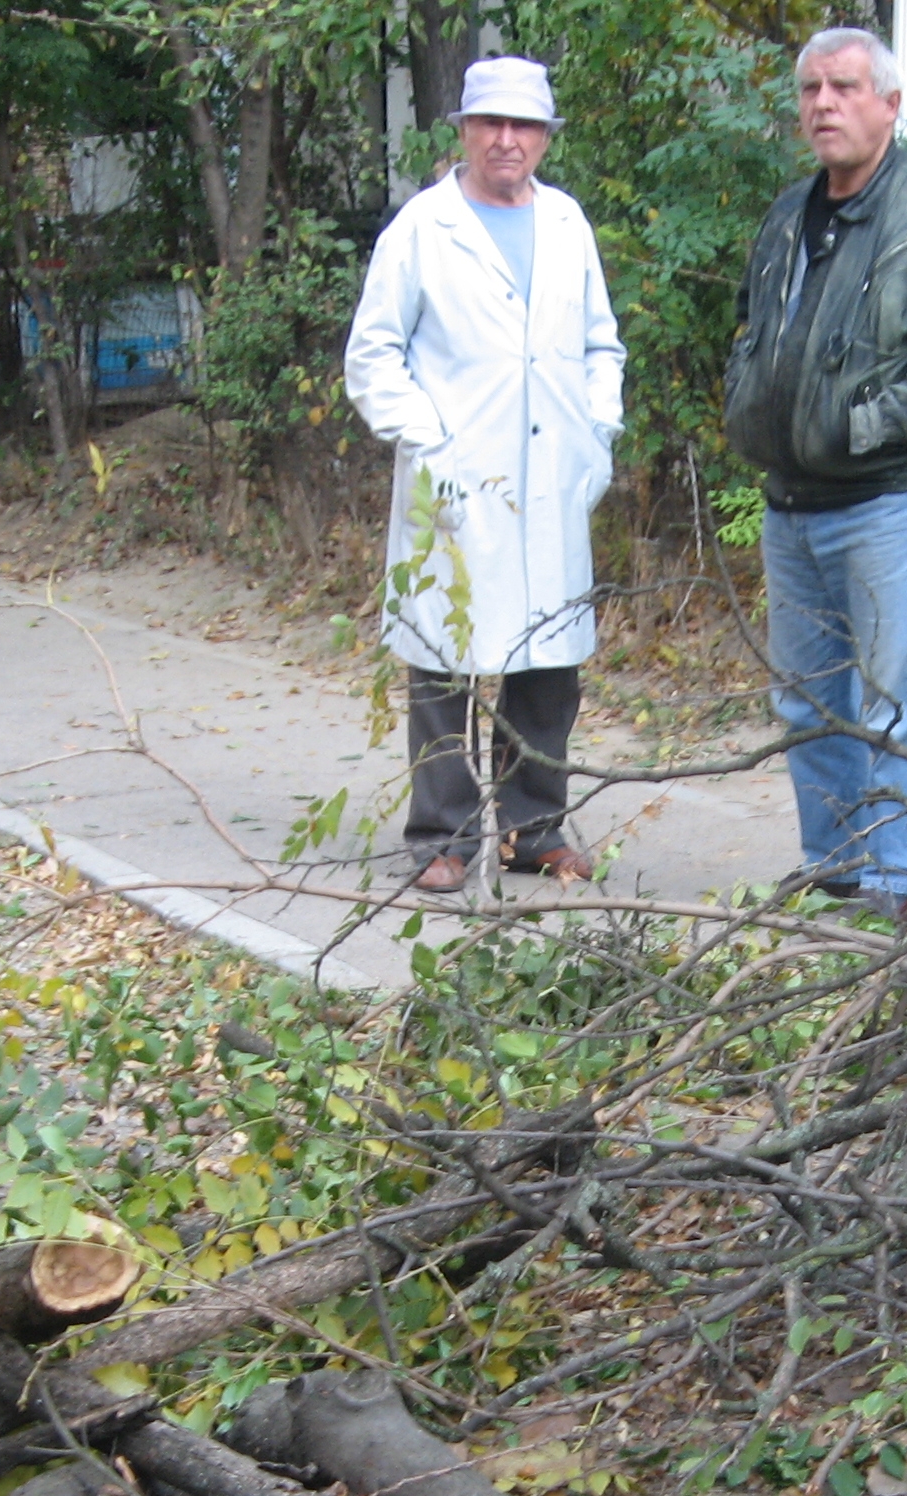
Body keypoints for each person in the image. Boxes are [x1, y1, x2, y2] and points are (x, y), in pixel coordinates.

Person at [723, 25, 907, 928]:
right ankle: (838, 868)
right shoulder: (786, 213)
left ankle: (899, 880)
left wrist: (859, 427)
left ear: (889, 103)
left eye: (843, 87)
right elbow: (750, 330)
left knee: (892, 706)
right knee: (806, 705)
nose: (823, 105)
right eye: (809, 89)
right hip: (790, 504)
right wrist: (749, 406)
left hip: (886, 503)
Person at [345, 55, 625, 893]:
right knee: (444, 659)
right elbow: (373, 356)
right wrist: (432, 442)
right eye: (491, 124)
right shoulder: (423, 230)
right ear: (464, 131)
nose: (508, 140)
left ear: (544, 137)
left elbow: (601, 345)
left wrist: (596, 432)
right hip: (454, 487)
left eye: (525, 126)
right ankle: (442, 833)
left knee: (546, 665)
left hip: (550, 478)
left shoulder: (568, 224)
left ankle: (533, 830)